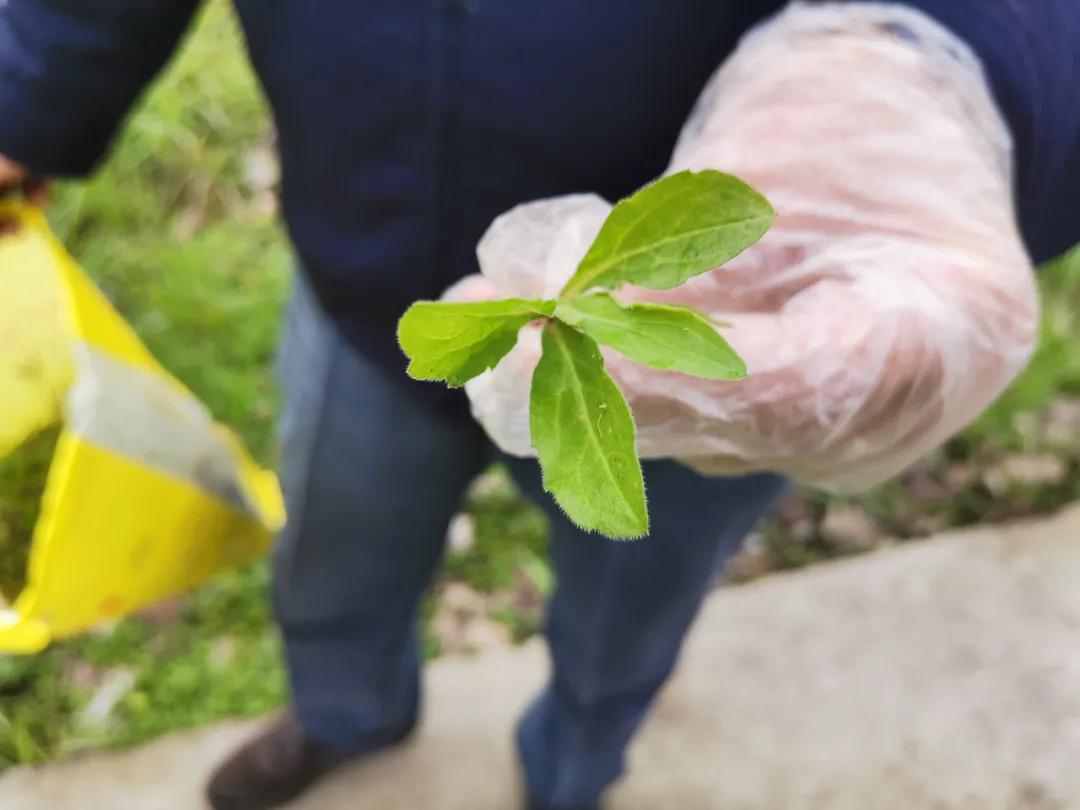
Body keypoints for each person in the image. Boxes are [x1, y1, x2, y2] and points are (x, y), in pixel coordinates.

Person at [0, 2, 1076, 808]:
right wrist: (27, 93)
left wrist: (950, 65)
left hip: (690, 350)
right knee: (336, 549)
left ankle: (574, 769)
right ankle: (346, 716)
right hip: (364, 294)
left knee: (628, 609)